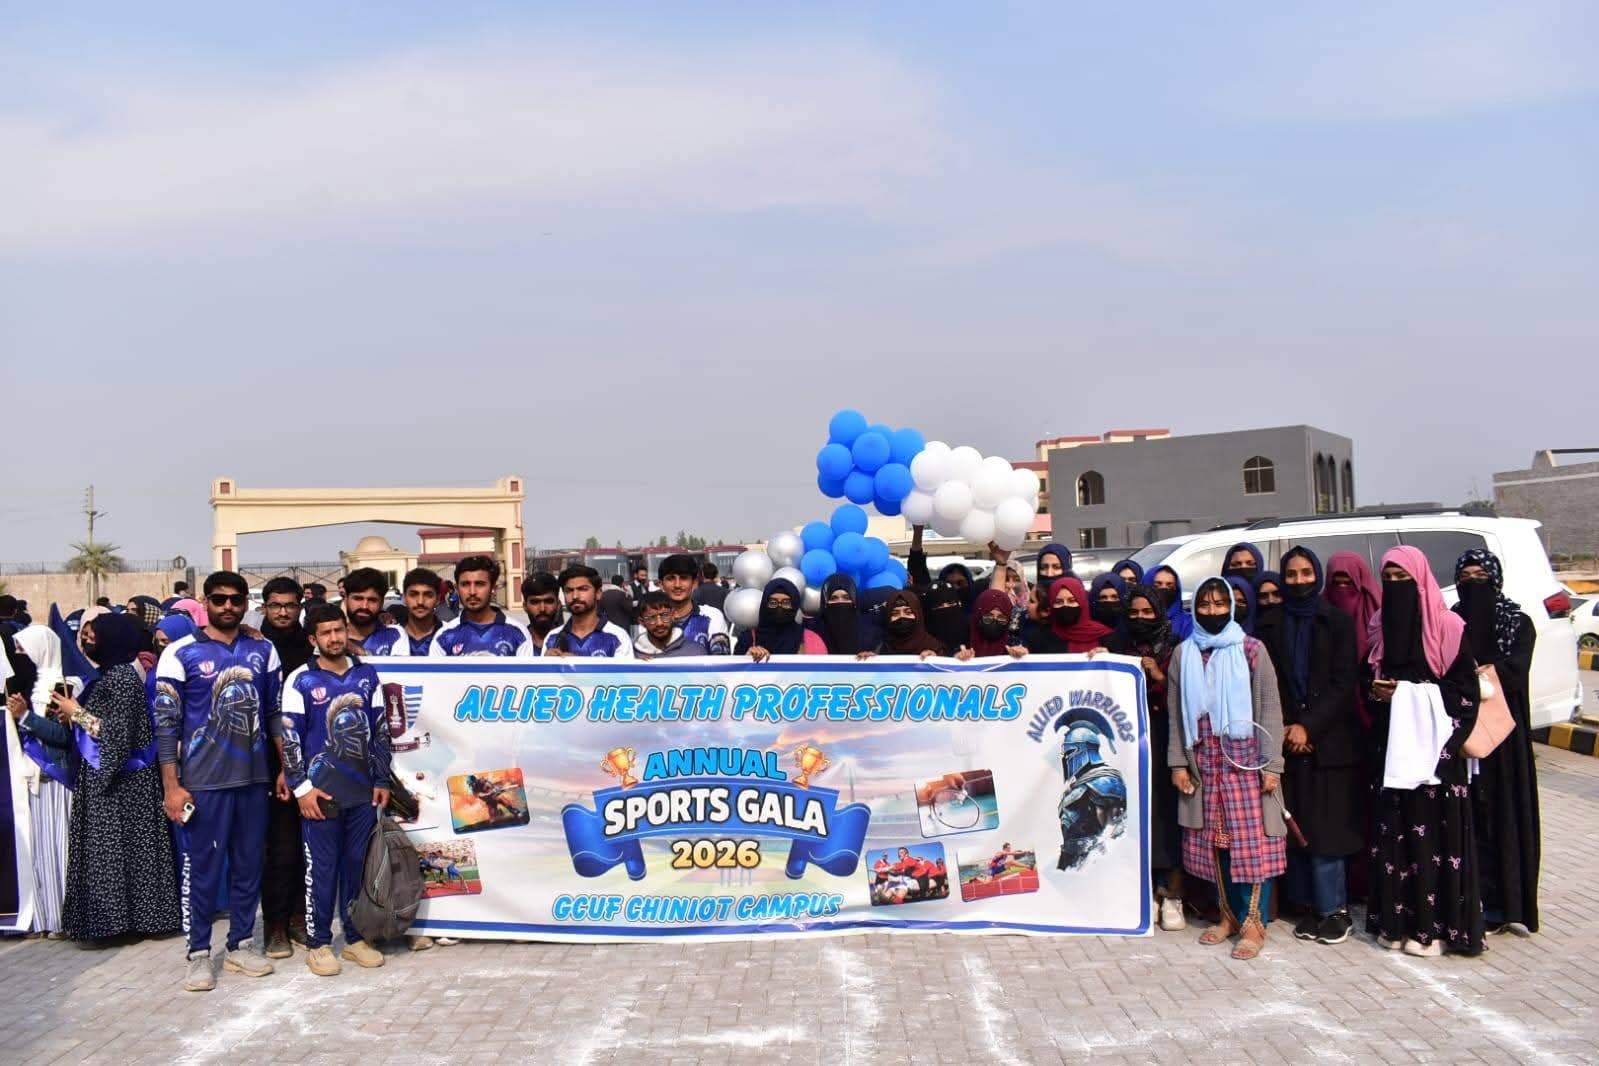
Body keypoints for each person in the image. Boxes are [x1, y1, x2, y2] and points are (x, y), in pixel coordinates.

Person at [153, 570, 280, 990]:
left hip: (254, 779)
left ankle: (241, 944)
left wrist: (284, 769)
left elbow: (274, 715)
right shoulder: (180, 653)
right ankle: (198, 954)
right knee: (203, 872)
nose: (228, 606)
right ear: (204, 603)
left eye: (235, 599)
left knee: (248, 867)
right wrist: (172, 786)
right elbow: (166, 726)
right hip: (203, 783)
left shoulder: (263, 649)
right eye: (219, 599)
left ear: (246, 604)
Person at [1365, 546, 1482, 958]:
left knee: (1435, 842)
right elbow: (1369, 682)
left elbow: (1466, 693)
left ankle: (1434, 931)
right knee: (1395, 838)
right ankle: (1395, 924)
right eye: (1389, 579)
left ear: (1422, 580)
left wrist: (1408, 694)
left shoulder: (1448, 626)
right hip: (1393, 753)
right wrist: (1379, 693)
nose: (1396, 587)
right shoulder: (1380, 626)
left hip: (1437, 756)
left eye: (1404, 579)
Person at [1167, 576, 1286, 961]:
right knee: (1214, 843)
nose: (1212, 611)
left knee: (1252, 846)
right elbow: (1176, 715)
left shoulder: (1251, 650)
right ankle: (1228, 917)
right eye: (1205, 604)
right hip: (1204, 766)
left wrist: (1272, 766)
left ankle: (1254, 923)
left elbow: (1270, 709)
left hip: (1246, 763)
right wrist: (1178, 763)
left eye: (1220, 604)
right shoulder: (1184, 654)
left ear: (1232, 608)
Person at [43, 614, 181, 942]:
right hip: (116, 784)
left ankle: (122, 924)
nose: (88, 642)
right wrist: (70, 715)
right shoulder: (112, 675)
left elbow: (116, 736)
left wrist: (76, 712)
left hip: (123, 787)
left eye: (95, 636)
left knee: (119, 855)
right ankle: (118, 923)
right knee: (120, 856)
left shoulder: (120, 678)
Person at [275, 604, 392, 976]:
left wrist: (381, 779)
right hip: (320, 796)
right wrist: (302, 790)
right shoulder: (300, 680)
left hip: (362, 793)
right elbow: (290, 739)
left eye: (339, 630)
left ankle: (355, 939)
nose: (334, 638)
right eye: (326, 633)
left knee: (357, 867)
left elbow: (380, 729)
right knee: (322, 871)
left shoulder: (366, 674)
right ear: (313, 639)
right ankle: (319, 943)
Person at [1264, 547, 1361, 947]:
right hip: (1287, 739)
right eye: (1291, 574)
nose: (1299, 580)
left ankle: (1334, 910)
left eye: (1306, 573)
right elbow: (1270, 681)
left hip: (1329, 743)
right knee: (1297, 825)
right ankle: (1308, 906)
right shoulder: (1272, 623)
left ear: (1317, 576)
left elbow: (1344, 682)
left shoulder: (1336, 621)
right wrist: (1288, 727)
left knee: (1327, 829)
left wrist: (1309, 727)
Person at [1454, 548, 1539, 934]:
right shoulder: (1452, 621)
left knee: (1504, 815)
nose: (1473, 583)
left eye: (1480, 576)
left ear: (1496, 579)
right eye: (1465, 577)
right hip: (1462, 732)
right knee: (1469, 815)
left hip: (1506, 737)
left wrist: (1479, 677)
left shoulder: (1518, 622)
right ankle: (1471, 900)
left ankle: (1507, 905)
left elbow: (1516, 670)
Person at [256, 576, 312, 958]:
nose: (282, 612)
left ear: (299, 606)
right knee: (278, 848)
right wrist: (281, 766)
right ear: (265, 607)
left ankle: (298, 918)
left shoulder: (309, 646)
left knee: (304, 845)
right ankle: (274, 926)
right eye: (276, 605)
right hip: (266, 763)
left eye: (290, 605)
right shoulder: (253, 646)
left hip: (307, 760)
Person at [6, 625, 72, 937]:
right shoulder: (27, 689)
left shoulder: (63, 686)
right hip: (32, 782)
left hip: (57, 779)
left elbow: (64, 736)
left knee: (61, 851)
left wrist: (25, 717)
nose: (20, 656)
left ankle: (65, 918)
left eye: (24, 651)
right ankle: (46, 918)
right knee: (41, 854)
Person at [431, 556, 536, 658]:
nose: (472, 592)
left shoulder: (518, 634)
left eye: (480, 584)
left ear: (493, 588)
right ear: (457, 588)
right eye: (465, 584)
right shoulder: (443, 637)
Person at [544, 566, 634, 658]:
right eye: (569, 590)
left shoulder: (618, 637)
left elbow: (623, 668)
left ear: (598, 593)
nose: (575, 596)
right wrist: (546, 663)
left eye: (583, 589)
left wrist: (576, 664)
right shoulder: (553, 638)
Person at [653, 554, 729, 654]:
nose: (677, 585)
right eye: (671, 578)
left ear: (694, 583)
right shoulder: (651, 621)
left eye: (683, 578)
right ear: (661, 584)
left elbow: (721, 659)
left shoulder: (712, 616)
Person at [734, 579, 827, 660]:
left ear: (794, 605)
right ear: (764, 605)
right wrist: (746, 659)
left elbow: (821, 671)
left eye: (786, 603)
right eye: (773, 602)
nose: (779, 607)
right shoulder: (747, 640)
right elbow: (735, 672)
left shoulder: (811, 640)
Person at [368, 568, 445, 657]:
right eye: (413, 594)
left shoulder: (450, 633)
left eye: (428, 595)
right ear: (404, 597)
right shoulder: (388, 634)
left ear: (438, 599)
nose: (420, 602)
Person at [1026, 577, 1113, 654]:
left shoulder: (1105, 636)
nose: (1065, 605)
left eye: (1072, 601)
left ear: (1082, 603)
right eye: (1058, 602)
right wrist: (1021, 654)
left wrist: (1108, 656)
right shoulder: (1040, 637)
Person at [807, 574, 881, 657]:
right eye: (833, 598)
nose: (840, 602)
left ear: (854, 600)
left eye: (846, 597)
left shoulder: (871, 631)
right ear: (825, 601)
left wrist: (873, 657)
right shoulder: (812, 630)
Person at [340, 568, 399, 655]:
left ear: (382, 602)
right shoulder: (330, 636)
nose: (364, 606)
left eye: (372, 600)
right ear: (345, 598)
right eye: (358, 598)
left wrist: (361, 652)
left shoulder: (395, 635)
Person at [876, 589, 948, 658]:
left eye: (908, 612)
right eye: (895, 614)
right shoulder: (882, 647)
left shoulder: (934, 647)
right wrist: (871, 659)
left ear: (918, 615)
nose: (902, 617)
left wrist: (935, 658)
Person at [633, 592, 698, 659]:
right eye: (652, 618)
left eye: (665, 615)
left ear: (673, 615)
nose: (659, 623)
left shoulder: (695, 651)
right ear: (642, 622)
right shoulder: (632, 655)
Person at [968, 588, 1028, 660]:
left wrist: (1022, 656)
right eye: (988, 617)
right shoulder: (965, 646)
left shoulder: (1014, 646)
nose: (994, 622)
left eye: (1001, 618)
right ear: (978, 617)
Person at [922, 582, 972, 655]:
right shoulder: (924, 636)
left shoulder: (972, 628)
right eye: (939, 605)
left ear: (959, 603)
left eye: (951, 603)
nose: (946, 608)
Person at [1147, 566, 1193, 641]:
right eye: (1157, 585)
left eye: (1170, 586)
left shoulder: (1187, 623)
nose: (1164, 588)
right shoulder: (1135, 618)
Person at [518, 572, 561, 653]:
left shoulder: (571, 641)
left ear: (558, 605)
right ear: (525, 606)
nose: (542, 609)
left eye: (548, 601)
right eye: (535, 602)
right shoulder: (515, 642)